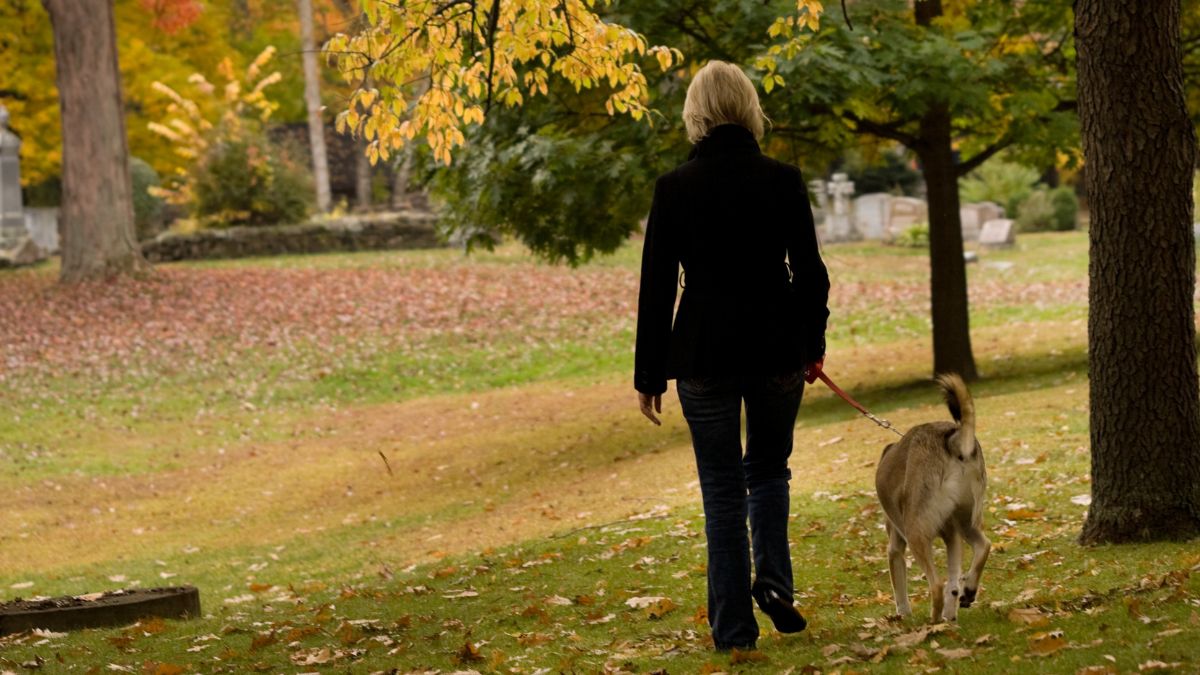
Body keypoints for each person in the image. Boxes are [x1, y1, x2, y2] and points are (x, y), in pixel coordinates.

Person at [633, 60, 830, 652]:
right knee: (768, 470)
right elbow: (811, 274)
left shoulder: (674, 187)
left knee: (721, 490)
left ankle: (734, 632)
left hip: (703, 353)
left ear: (695, 113)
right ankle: (773, 584)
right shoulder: (783, 179)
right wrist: (811, 345)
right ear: (749, 108)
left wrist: (649, 375)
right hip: (776, 348)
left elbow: (656, 287)